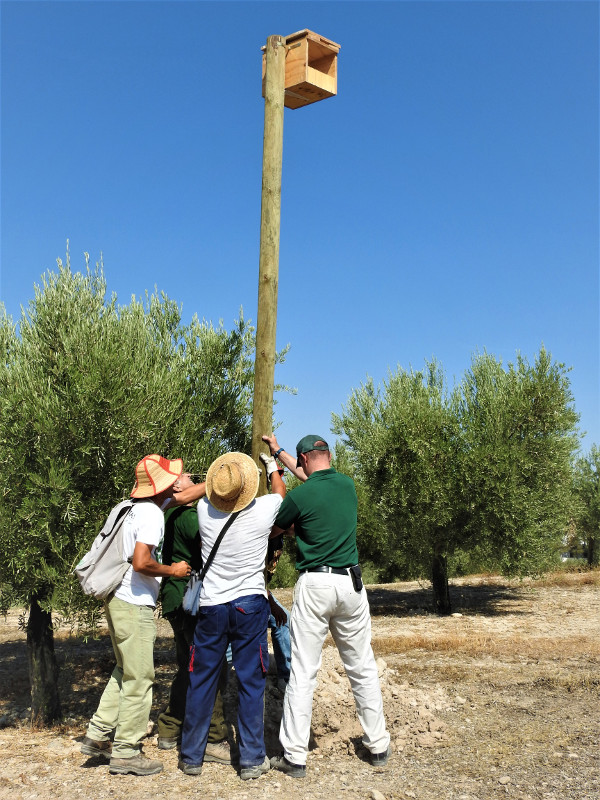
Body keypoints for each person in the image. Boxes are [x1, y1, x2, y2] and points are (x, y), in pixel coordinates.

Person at [262, 433, 391, 778]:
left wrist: (293, 531)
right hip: (351, 583)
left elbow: (276, 528)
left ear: (304, 460)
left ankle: (295, 756)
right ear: (328, 456)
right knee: (362, 665)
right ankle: (378, 745)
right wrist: (279, 452)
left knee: (304, 671)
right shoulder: (347, 485)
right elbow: (312, 478)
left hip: (316, 583)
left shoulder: (301, 495)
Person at [175, 451, 285, 780]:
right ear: (247, 487)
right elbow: (280, 493)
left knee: (202, 680)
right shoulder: (265, 509)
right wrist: (270, 466)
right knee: (252, 681)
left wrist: (208, 486)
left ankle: (191, 756)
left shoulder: (205, 510)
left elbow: (201, 494)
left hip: (211, 605)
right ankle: (251, 760)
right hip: (249, 604)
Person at [81, 454, 191, 777]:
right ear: (162, 484)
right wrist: (174, 569)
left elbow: (179, 497)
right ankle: (127, 751)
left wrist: (206, 487)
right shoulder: (152, 516)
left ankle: (98, 735)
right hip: (134, 604)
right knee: (141, 676)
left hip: (117, 599)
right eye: (172, 478)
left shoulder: (129, 507)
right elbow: (142, 561)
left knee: (125, 668)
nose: (176, 482)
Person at [155, 472, 231, 764]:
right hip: (193, 602)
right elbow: (212, 549)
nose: (191, 480)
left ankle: (169, 726)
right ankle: (213, 737)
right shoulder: (188, 518)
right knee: (210, 666)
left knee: (188, 665)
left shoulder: (167, 517)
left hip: (175, 599)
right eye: (190, 478)